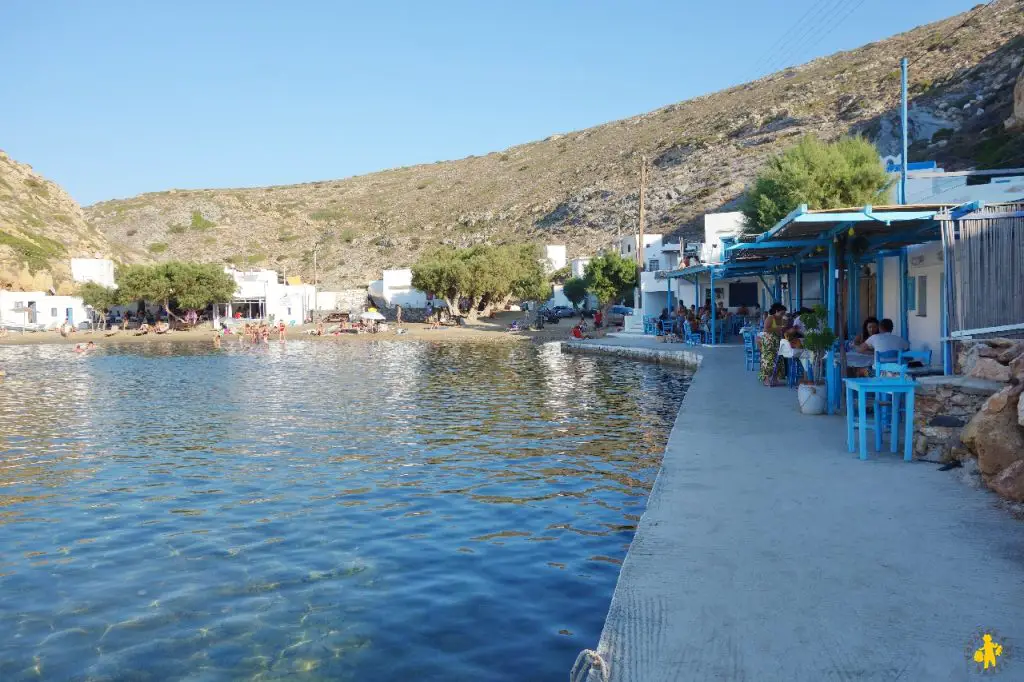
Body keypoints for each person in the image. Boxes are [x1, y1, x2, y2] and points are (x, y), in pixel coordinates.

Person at [759, 303, 787, 385]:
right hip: (769, 342)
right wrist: (778, 328)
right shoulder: (770, 318)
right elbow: (765, 329)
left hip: (778, 342)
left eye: (784, 313)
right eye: (781, 313)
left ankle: (774, 378)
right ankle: (766, 380)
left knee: (777, 360)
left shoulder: (782, 319)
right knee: (768, 360)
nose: (783, 315)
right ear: (776, 311)